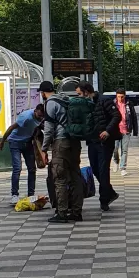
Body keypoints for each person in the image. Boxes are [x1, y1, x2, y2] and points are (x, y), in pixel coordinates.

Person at [42, 77, 89, 223]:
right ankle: (76, 212)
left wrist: (44, 148)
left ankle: (62, 213)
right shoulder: (67, 99)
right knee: (75, 177)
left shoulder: (50, 103)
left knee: (60, 178)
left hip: (61, 143)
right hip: (74, 142)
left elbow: (49, 130)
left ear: (43, 93)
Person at [78, 81, 121, 210]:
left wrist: (107, 131)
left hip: (105, 142)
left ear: (86, 91)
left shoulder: (104, 100)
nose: (79, 96)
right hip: (92, 141)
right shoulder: (85, 104)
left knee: (103, 171)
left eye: (80, 94)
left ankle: (104, 201)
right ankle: (110, 192)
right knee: (95, 169)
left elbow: (117, 115)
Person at [0, 103, 45, 205]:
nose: (40, 118)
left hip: (27, 143)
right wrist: (2, 141)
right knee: (17, 168)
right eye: (39, 116)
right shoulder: (26, 117)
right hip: (15, 142)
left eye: (42, 116)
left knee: (32, 168)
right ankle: (14, 195)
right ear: (35, 111)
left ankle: (31, 194)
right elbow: (11, 128)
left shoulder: (41, 118)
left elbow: (38, 128)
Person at [113, 87, 138, 176]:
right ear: (116, 96)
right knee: (114, 148)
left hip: (126, 130)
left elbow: (133, 117)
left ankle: (123, 167)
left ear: (125, 96)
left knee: (124, 150)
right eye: (118, 97)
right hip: (115, 130)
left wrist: (135, 130)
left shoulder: (129, 104)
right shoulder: (113, 104)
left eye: (122, 97)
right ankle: (116, 161)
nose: (120, 99)